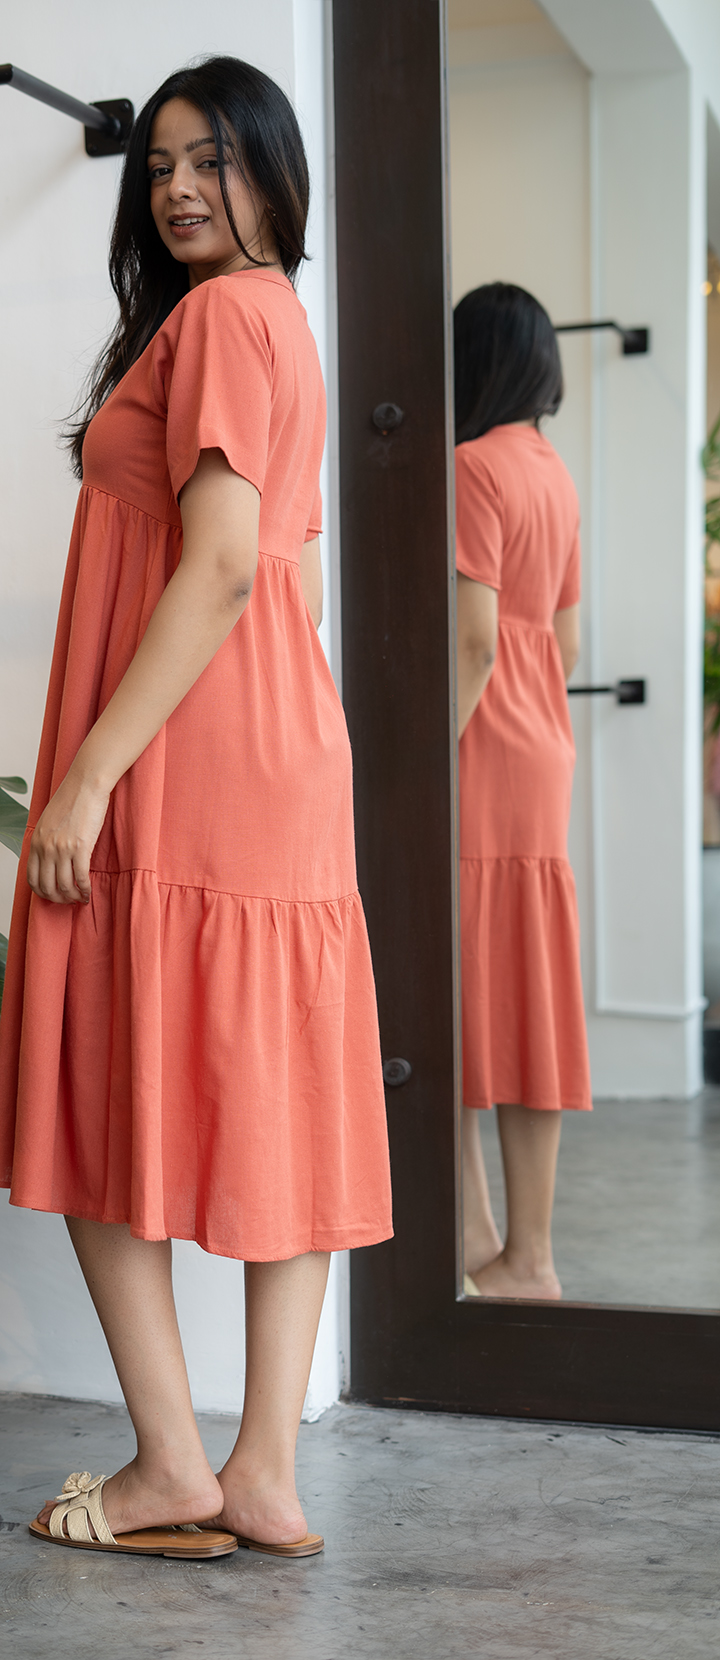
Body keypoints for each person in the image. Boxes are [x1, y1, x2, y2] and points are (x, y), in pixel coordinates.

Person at [0, 56, 391, 1559]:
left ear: (275, 171)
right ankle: (262, 1471)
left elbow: (220, 566)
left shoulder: (219, 318)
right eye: (158, 165)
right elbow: (290, 582)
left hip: (185, 754)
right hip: (281, 747)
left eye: (212, 158)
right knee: (286, 1094)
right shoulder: (284, 325)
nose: (176, 187)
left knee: (97, 1076)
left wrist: (91, 772)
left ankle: (170, 1465)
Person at [454, 282, 592, 1302]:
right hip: (544, 748)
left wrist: (420, 759)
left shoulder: (471, 467)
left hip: (482, 751)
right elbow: (566, 641)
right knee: (524, 998)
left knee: (460, 992)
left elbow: (473, 641)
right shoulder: (552, 471)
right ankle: (499, 1245)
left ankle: (513, 1255)